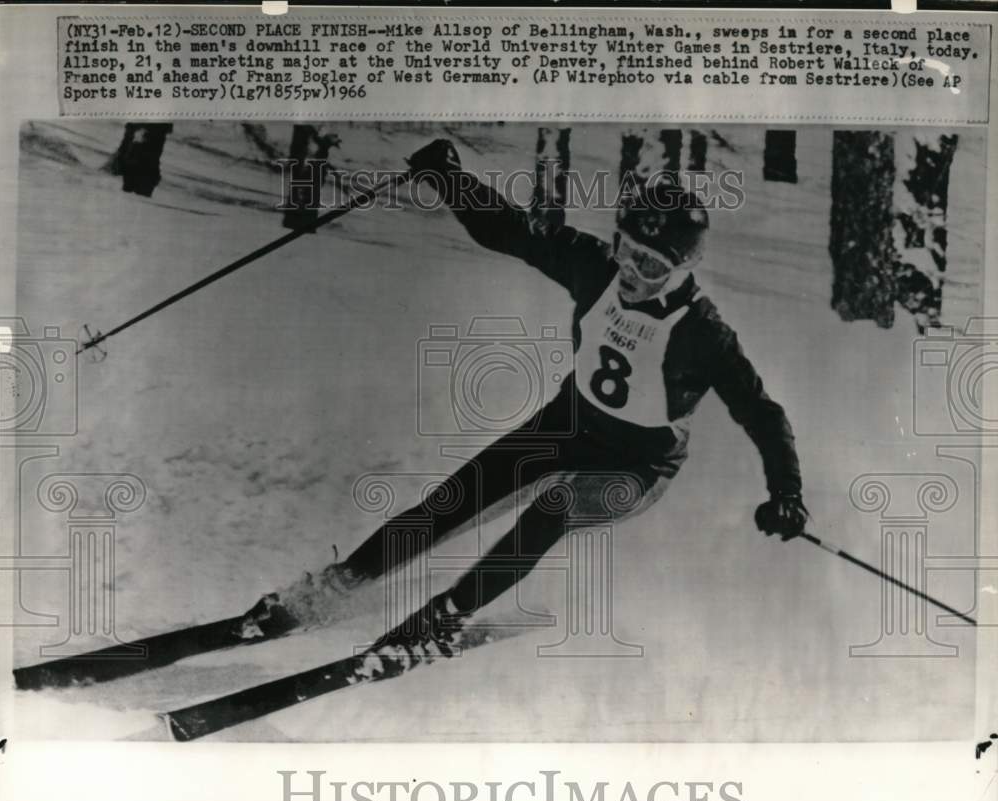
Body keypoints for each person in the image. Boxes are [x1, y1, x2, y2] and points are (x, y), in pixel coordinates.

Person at [237, 138, 809, 671]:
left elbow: (763, 414)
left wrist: (786, 493)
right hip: (567, 424)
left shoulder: (704, 334)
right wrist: (449, 178)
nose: (631, 273)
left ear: (683, 269)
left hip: (636, 467)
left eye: (651, 266)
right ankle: (328, 591)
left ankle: (443, 621)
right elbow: (510, 231)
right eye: (628, 251)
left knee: (554, 506)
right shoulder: (595, 268)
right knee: (452, 502)